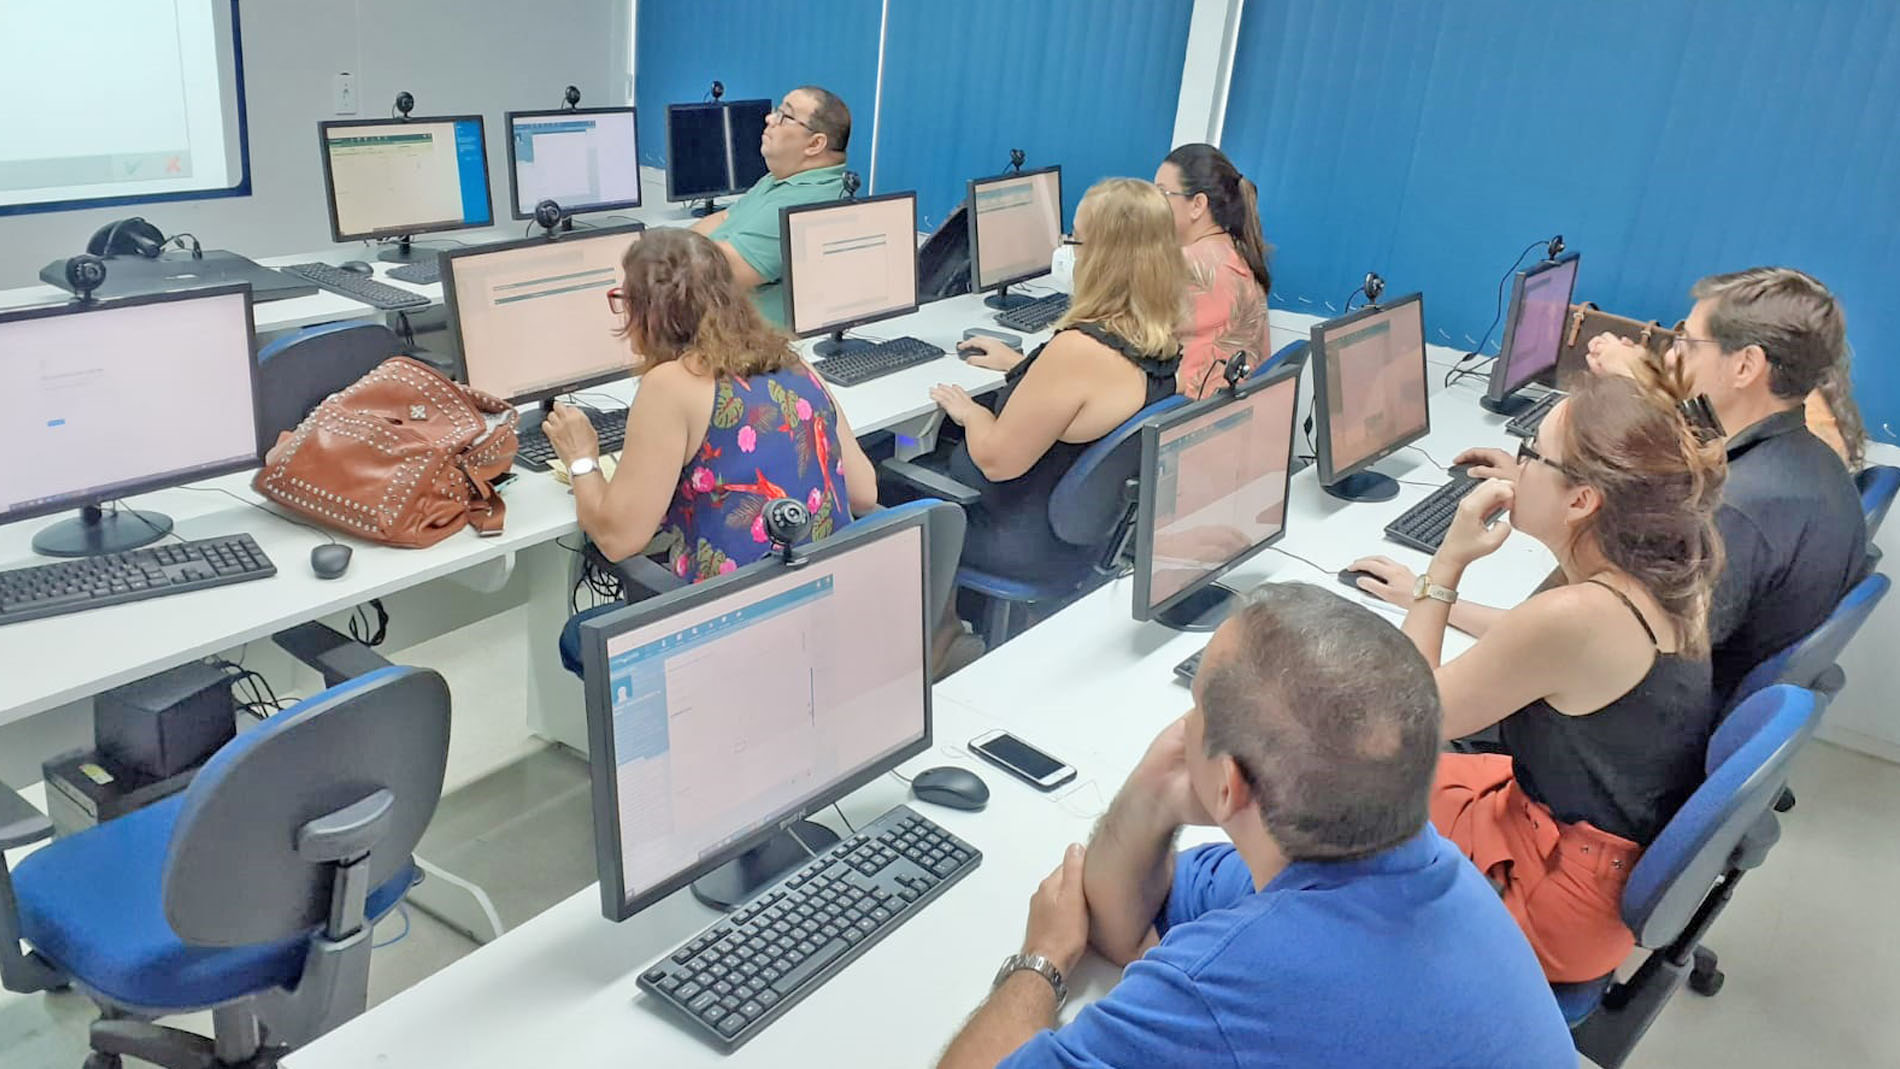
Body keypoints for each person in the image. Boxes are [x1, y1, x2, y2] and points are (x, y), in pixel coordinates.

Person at [934, 582, 1574, 1068]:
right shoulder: (1410, 856)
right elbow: (1127, 917)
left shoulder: (1229, 980)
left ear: (1230, 783)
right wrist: (1152, 796)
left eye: (1196, 711)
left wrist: (1039, 961)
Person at [1350, 375, 1727, 982]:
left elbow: (1408, 722)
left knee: (1347, 786)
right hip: (1584, 840)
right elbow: (1541, 647)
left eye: (1530, 453)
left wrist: (1444, 564)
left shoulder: (1575, 617)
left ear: (1582, 501)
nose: (1517, 465)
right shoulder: (1672, 569)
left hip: (1553, 898)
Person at [1457, 267, 1868, 708]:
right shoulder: (1806, 461)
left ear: (1746, 365)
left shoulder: (1735, 514)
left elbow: (1601, 647)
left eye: (1688, 342)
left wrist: (1437, 593)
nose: (1672, 356)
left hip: (1614, 739)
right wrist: (1547, 476)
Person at [545, 228, 876, 665]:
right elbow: (865, 492)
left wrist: (581, 457)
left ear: (646, 312)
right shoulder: (793, 363)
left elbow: (617, 538)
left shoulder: (672, 385)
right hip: (819, 610)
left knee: (577, 635)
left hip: (733, 629)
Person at [938, 178, 1185, 585]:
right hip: (1073, 539)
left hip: (1010, 535)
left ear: (1104, 259)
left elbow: (997, 461)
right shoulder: (1155, 340)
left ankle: (944, 636)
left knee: (884, 491)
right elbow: (1084, 400)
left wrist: (971, 414)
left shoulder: (1078, 350)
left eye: (1076, 239)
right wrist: (1020, 366)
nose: (1066, 248)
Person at [689, 85, 851, 328]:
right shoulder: (781, 178)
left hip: (745, 342)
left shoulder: (805, 201)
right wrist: (664, 245)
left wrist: (654, 255)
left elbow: (724, 270)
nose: (769, 118)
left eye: (785, 116)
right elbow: (725, 219)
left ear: (815, 144)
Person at [1154, 143, 1273, 399]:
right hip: (1225, 422)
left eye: (1162, 194)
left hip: (1180, 421)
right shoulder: (1239, 255)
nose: (1152, 205)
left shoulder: (1184, 263)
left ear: (1197, 204)